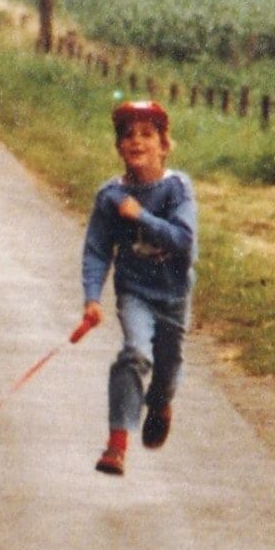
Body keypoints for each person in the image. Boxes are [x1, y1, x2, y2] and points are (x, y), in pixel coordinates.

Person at [80, 101, 198, 476]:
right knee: (134, 353)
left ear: (164, 146)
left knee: (167, 368)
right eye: (128, 135)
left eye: (147, 134)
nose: (137, 141)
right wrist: (92, 298)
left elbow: (183, 240)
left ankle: (160, 404)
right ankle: (116, 445)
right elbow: (97, 250)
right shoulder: (110, 196)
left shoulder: (177, 188)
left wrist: (141, 216)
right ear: (119, 147)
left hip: (174, 294)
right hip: (135, 292)